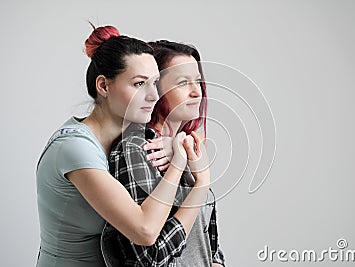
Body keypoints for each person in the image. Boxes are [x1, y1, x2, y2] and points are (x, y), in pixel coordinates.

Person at [36, 25, 197, 267]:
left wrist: (175, 143)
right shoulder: (74, 148)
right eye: (139, 84)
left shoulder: (127, 141)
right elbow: (145, 231)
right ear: (103, 86)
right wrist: (179, 163)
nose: (153, 95)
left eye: (155, 83)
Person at [102, 40, 225, 266]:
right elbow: (150, 257)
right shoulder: (138, 150)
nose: (196, 91)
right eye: (182, 83)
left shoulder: (189, 148)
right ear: (154, 89)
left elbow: (210, 246)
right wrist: (201, 183)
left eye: (197, 81)